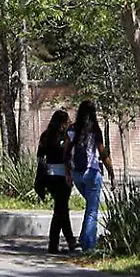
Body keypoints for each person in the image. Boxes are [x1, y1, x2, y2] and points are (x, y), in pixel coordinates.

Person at [36, 109, 79, 253]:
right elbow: (67, 157)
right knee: (60, 210)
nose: (68, 124)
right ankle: (53, 243)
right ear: (62, 123)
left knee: (62, 209)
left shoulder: (45, 136)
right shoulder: (64, 137)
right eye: (67, 122)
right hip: (62, 176)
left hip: (49, 176)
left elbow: (40, 156)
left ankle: (70, 240)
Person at [69, 100, 108, 252]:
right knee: (93, 209)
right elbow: (103, 153)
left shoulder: (72, 130)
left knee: (90, 207)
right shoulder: (95, 131)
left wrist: (68, 173)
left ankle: (83, 239)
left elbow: (66, 152)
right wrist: (110, 172)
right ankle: (89, 245)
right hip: (92, 173)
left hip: (77, 174)